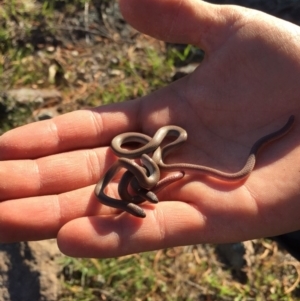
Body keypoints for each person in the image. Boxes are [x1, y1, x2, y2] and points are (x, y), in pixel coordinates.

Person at [0, 0, 299, 258]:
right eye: (150, 200)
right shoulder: (129, 186)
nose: (149, 201)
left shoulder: (131, 181)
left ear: (137, 204)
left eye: (146, 202)